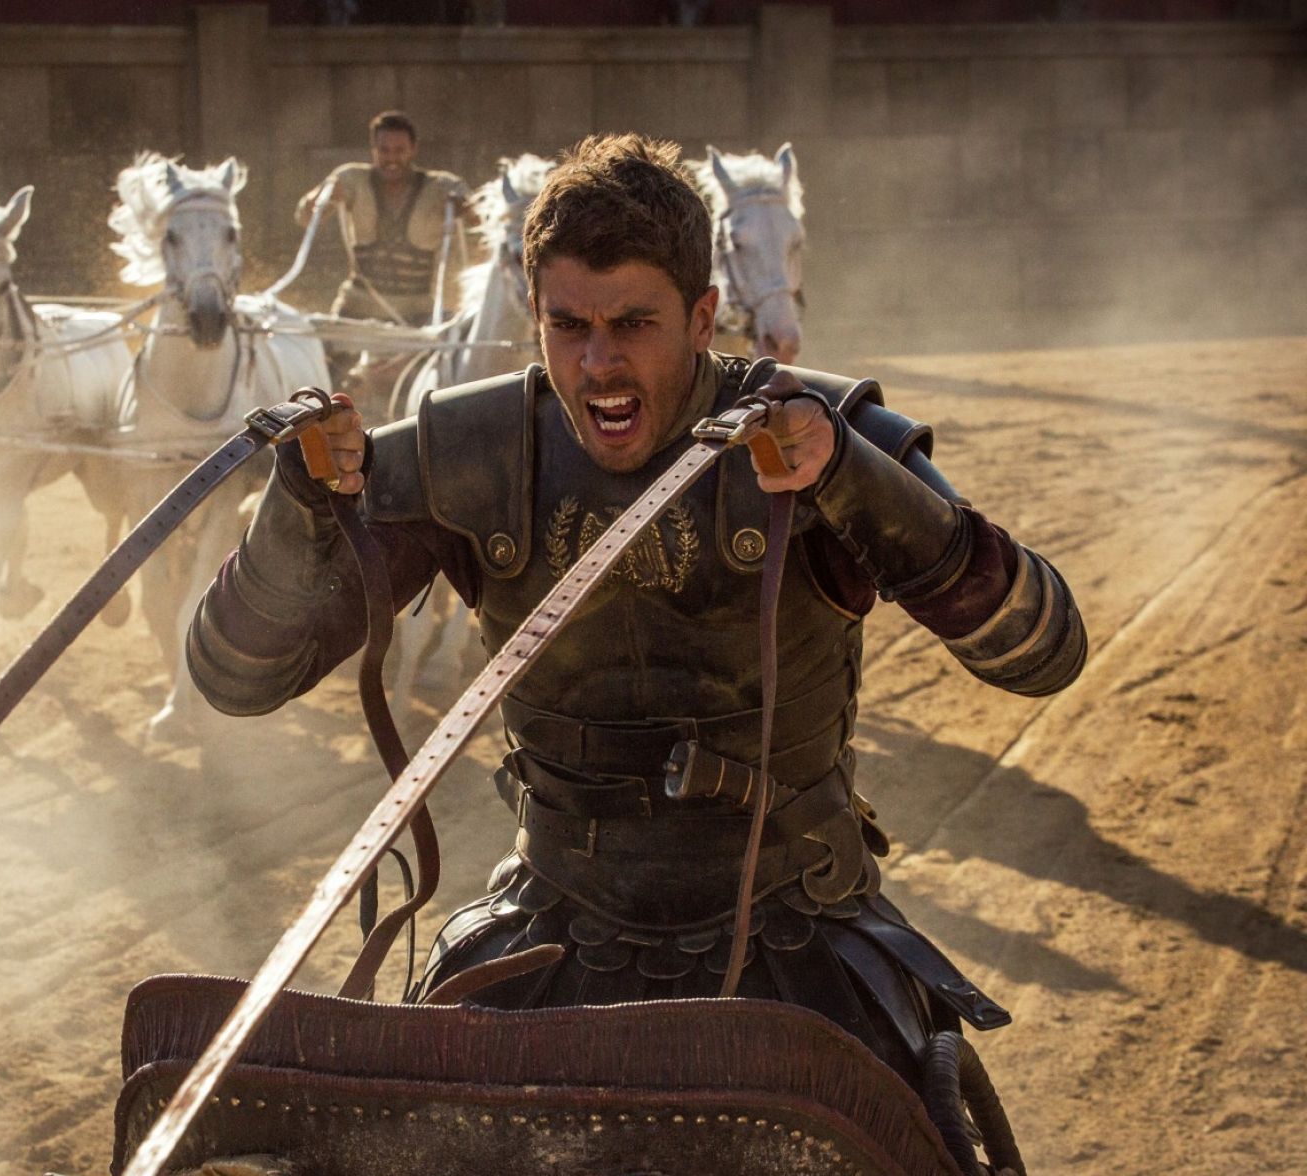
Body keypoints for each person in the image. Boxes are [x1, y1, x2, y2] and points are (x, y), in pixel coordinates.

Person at [189, 134, 1087, 1092]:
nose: (598, 363)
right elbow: (238, 677)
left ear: (702, 316)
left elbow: (1040, 650)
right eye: (568, 324)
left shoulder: (821, 431)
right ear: (533, 313)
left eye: (633, 324)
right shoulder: (472, 451)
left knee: (907, 1151)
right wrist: (298, 505)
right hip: (552, 926)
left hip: (800, 932)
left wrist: (851, 479)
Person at [295, 110, 469, 328]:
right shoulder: (352, 179)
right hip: (356, 309)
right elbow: (305, 217)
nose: (392, 158)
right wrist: (322, 199)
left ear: (413, 149)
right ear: (374, 150)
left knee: (460, 333)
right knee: (319, 344)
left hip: (417, 313)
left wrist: (463, 207)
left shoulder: (441, 186)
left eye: (400, 150)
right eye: (384, 150)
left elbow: (479, 218)